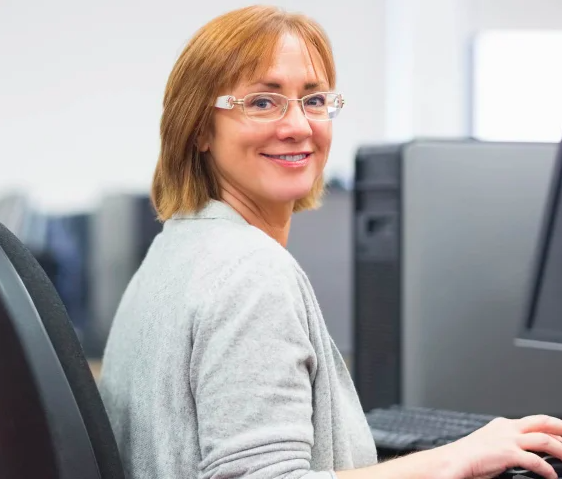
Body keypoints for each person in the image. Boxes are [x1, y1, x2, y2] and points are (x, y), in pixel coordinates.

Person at [98, 5, 562, 479]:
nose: (299, 126)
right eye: (263, 102)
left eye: (314, 100)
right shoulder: (249, 273)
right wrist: (453, 459)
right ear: (199, 128)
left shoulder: (177, 248)